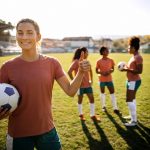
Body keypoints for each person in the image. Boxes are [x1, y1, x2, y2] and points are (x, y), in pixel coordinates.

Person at [0, 18, 91, 150]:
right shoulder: (7, 67)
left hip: (47, 131)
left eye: (30, 32)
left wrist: (81, 72)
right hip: (18, 135)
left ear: (38, 36)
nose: (24, 37)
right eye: (20, 32)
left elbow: (70, 91)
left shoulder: (52, 63)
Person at [68, 47, 100, 122]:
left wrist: (91, 80)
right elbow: (69, 72)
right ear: (82, 53)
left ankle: (92, 115)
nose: (88, 53)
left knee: (92, 99)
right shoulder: (76, 62)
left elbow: (91, 70)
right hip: (79, 87)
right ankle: (81, 115)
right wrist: (74, 81)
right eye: (87, 52)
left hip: (87, 85)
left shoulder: (86, 61)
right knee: (80, 100)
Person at [122, 36, 143, 126]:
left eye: (129, 47)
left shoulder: (138, 57)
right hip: (131, 81)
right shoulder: (133, 56)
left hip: (134, 81)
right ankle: (132, 116)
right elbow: (132, 68)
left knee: (129, 100)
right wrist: (127, 68)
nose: (128, 48)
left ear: (134, 48)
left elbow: (139, 71)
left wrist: (127, 70)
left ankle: (134, 121)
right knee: (132, 99)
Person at [96, 46, 120, 114]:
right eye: (106, 51)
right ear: (102, 52)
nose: (108, 51)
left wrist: (110, 71)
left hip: (109, 79)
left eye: (108, 50)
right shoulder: (98, 61)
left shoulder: (111, 60)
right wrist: (102, 72)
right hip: (102, 80)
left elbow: (112, 69)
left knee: (112, 93)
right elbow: (96, 71)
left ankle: (115, 108)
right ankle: (103, 106)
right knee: (102, 93)